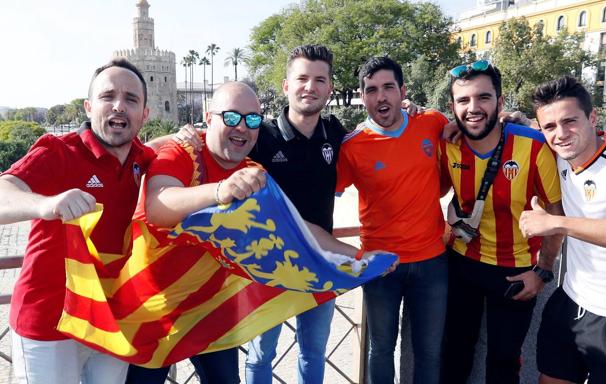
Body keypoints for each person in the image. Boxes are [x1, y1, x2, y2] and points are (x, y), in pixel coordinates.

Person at [130, 80, 385, 384]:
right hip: (152, 312)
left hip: (208, 313)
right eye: (231, 117)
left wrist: (361, 257)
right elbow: (158, 205)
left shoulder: (254, 174)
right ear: (210, 117)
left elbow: (299, 228)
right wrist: (221, 190)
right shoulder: (181, 151)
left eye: (252, 119)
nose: (242, 127)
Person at [0, 59, 154, 384]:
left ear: (145, 114)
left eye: (131, 99)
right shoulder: (58, 152)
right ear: (89, 106)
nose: (118, 106)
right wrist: (47, 204)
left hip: (112, 321)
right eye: (107, 96)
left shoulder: (147, 161)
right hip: (49, 324)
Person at [439, 60, 564, 384]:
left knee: (504, 361)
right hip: (462, 263)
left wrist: (543, 271)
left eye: (483, 98)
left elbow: (556, 213)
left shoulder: (534, 145)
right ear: (453, 107)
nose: (473, 108)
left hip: (516, 269)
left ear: (500, 102)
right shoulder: (447, 143)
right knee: (454, 354)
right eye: (463, 101)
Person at [336, 56, 450, 383]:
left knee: (429, 352)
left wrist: (514, 121)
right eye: (371, 90)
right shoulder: (352, 146)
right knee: (381, 349)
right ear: (363, 97)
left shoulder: (431, 122)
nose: (381, 97)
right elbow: (319, 192)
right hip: (380, 264)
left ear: (403, 91)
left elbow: (473, 136)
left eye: (388, 88)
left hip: (432, 263)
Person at [244, 44, 343, 384]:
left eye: (319, 80)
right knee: (260, 356)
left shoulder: (336, 133)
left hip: (321, 261)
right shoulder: (261, 137)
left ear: (330, 88)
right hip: (268, 264)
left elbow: (382, 138)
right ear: (286, 86)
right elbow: (215, 148)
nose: (309, 87)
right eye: (301, 78)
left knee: (313, 353)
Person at [519, 76, 606, 384]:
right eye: (549, 127)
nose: (560, 134)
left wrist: (557, 222)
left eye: (570, 121)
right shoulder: (561, 153)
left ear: (592, 117)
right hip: (570, 299)